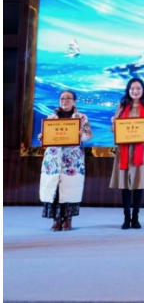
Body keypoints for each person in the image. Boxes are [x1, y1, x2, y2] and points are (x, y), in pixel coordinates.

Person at [38, 90, 93, 231]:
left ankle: (68, 220)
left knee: (70, 189)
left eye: (68, 98)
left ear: (74, 101)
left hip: (72, 160)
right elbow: (46, 138)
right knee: (54, 189)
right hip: (54, 159)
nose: (65, 101)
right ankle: (56, 220)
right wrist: (42, 137)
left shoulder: (82, 117)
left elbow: (89, 136)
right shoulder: (51, 118)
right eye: (62, 98)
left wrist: (81, 135)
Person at [109, 78, 144, 230]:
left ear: (143, 90)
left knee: (138, 182)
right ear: (128, 90)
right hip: (124, 149)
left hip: (141, 150)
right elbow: (114, 129)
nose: (135, 91)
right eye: (132, 89)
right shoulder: (121, 107)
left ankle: (135, 218)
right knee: (124, 183)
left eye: (138, 88)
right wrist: (114, 124)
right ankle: (126, 218)